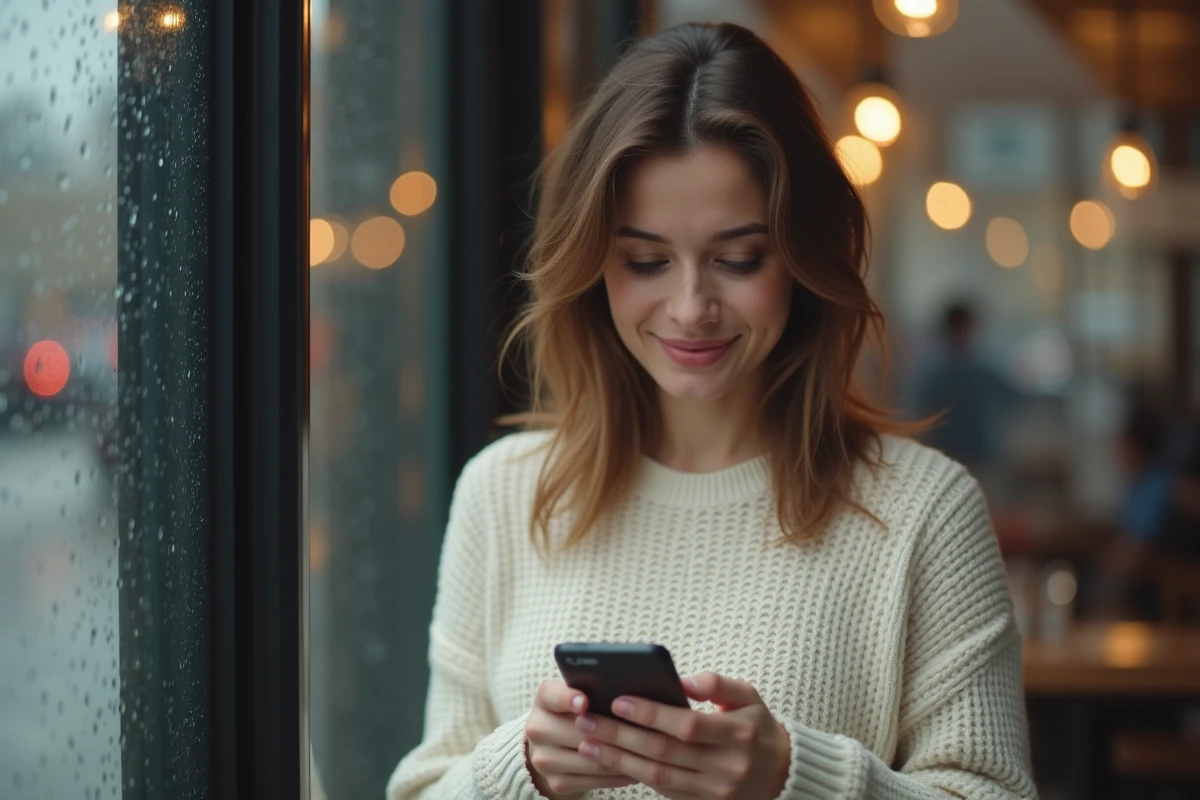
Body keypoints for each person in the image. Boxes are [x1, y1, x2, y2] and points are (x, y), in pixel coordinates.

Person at [387, 22, 1035, 800]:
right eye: (645, 261)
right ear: (592, 264)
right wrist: (517, 769)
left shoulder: (924, 511)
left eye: (738, 259)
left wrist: (794, 779)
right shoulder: (502, 494)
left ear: (803, 256)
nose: (691, 307)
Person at [914, 301, 1018, 480]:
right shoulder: (974, 370)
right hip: (961, 454)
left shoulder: (933, 371)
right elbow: (1013, 397)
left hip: (962, 455)